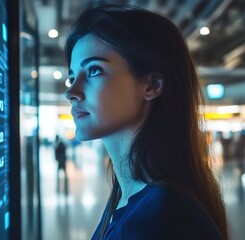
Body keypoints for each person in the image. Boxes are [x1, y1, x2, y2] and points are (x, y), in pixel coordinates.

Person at [64, 4, 228, 240]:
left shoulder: (160, 218)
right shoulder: (133, 199)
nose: (72, 92)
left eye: (94, 70)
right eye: (72, 77)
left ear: (152, 85)